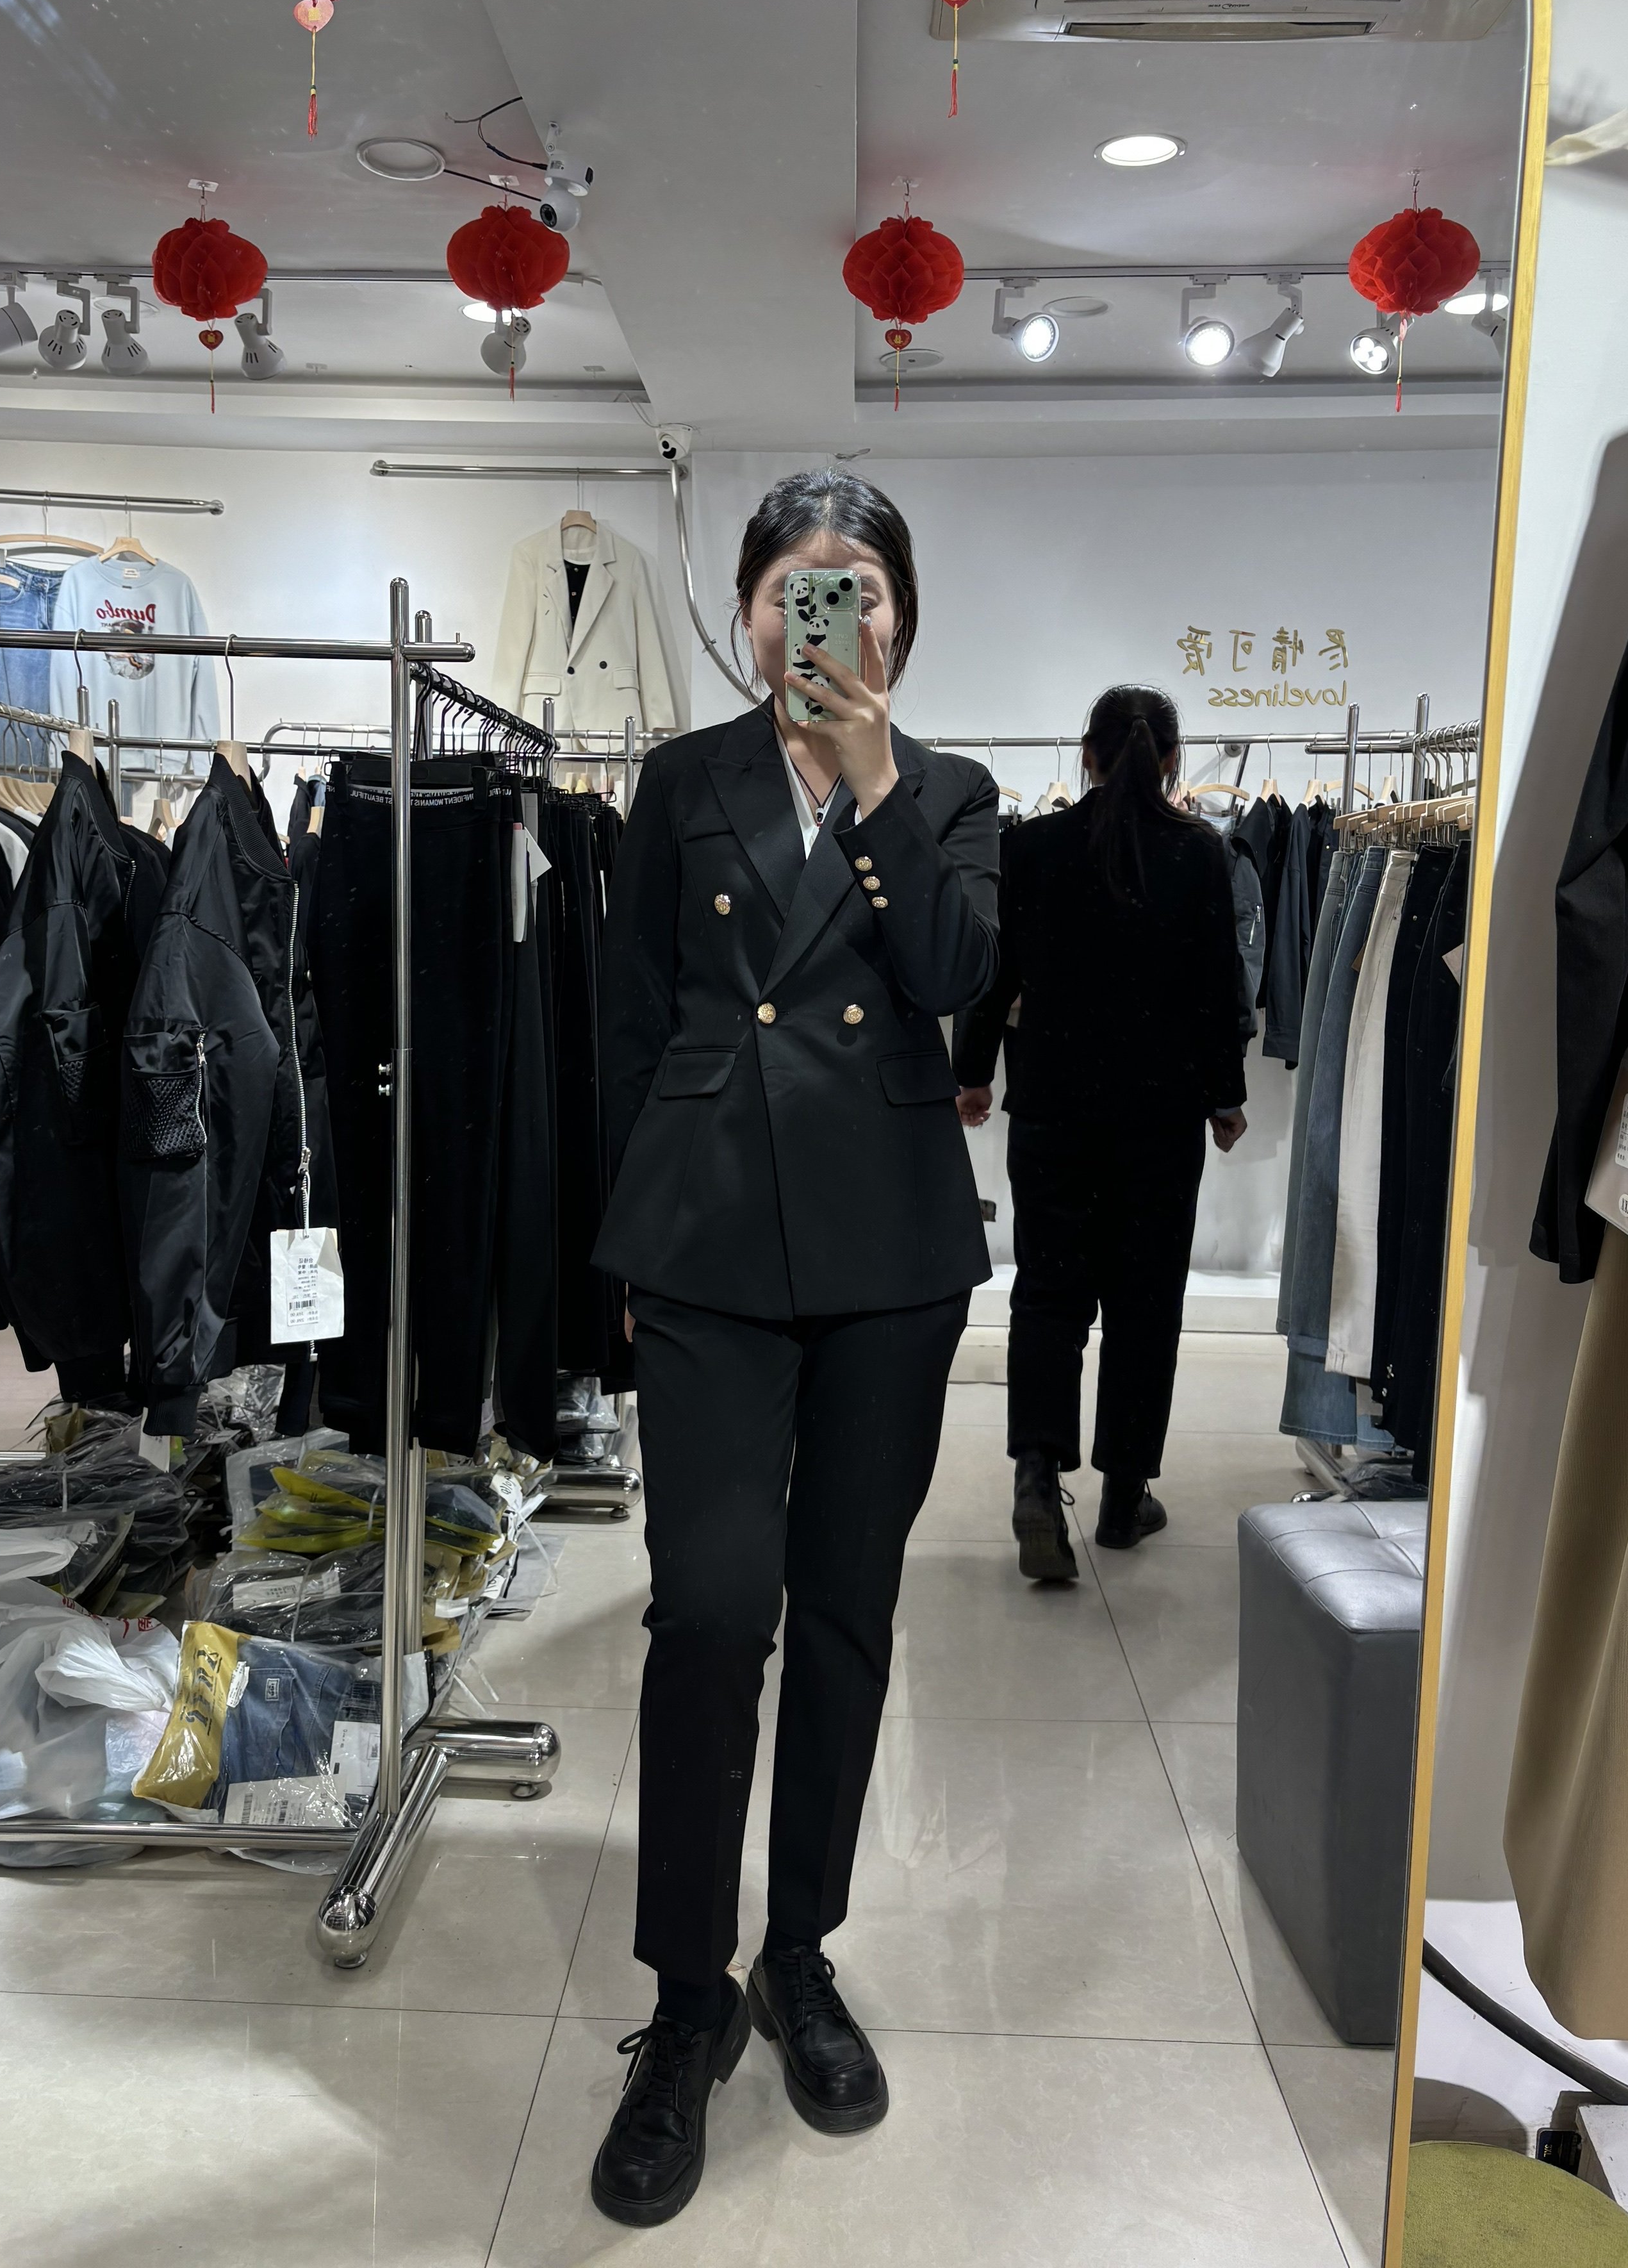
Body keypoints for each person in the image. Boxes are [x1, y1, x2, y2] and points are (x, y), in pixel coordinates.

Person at [588, 470, 999, 2226]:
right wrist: (616, 1245)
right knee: (708, 1611)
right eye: (797, 586)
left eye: (862, 586)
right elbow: (625, 1019)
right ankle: (687, 1998)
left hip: (891, 1255)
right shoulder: (680, 781)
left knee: (844, 1611)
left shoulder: (954, 793)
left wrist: (875, 781)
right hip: (703, 1241)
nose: (829, 612)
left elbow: (960, 977)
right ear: (749, 609)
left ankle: (799, 1953)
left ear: (903, 617)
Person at [953, 685, 1247, 1584]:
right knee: (1145, 1302)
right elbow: (1217, 986)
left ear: (1085, 755)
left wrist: (974, 1072)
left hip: (1054, 1108)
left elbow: (995, 973)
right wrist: (1226, 1096)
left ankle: (1038, 1478)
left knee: (1049, 1295)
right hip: (1160, 1116)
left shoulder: (1031, 847)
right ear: (1172, 760)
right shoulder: (1198, 852)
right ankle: (1124, 1499)